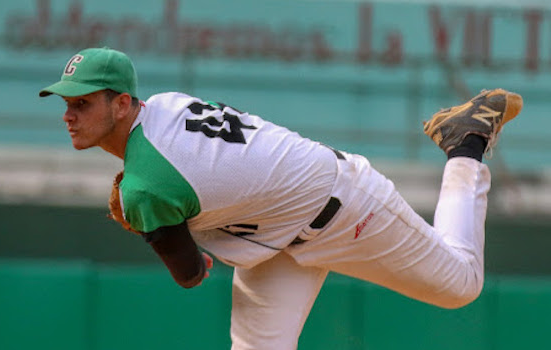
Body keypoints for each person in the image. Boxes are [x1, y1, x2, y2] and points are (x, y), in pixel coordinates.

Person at [39, 47, 522, 349]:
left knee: (461, 284)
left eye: (82, 103)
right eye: (67, 103)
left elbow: (190, 275)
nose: (69, 115)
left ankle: (465, 144)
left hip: (343, 205)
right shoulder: (164, 104)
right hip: (274, 238)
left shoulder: (147, 188)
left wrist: (158, 221)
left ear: (122, 103)